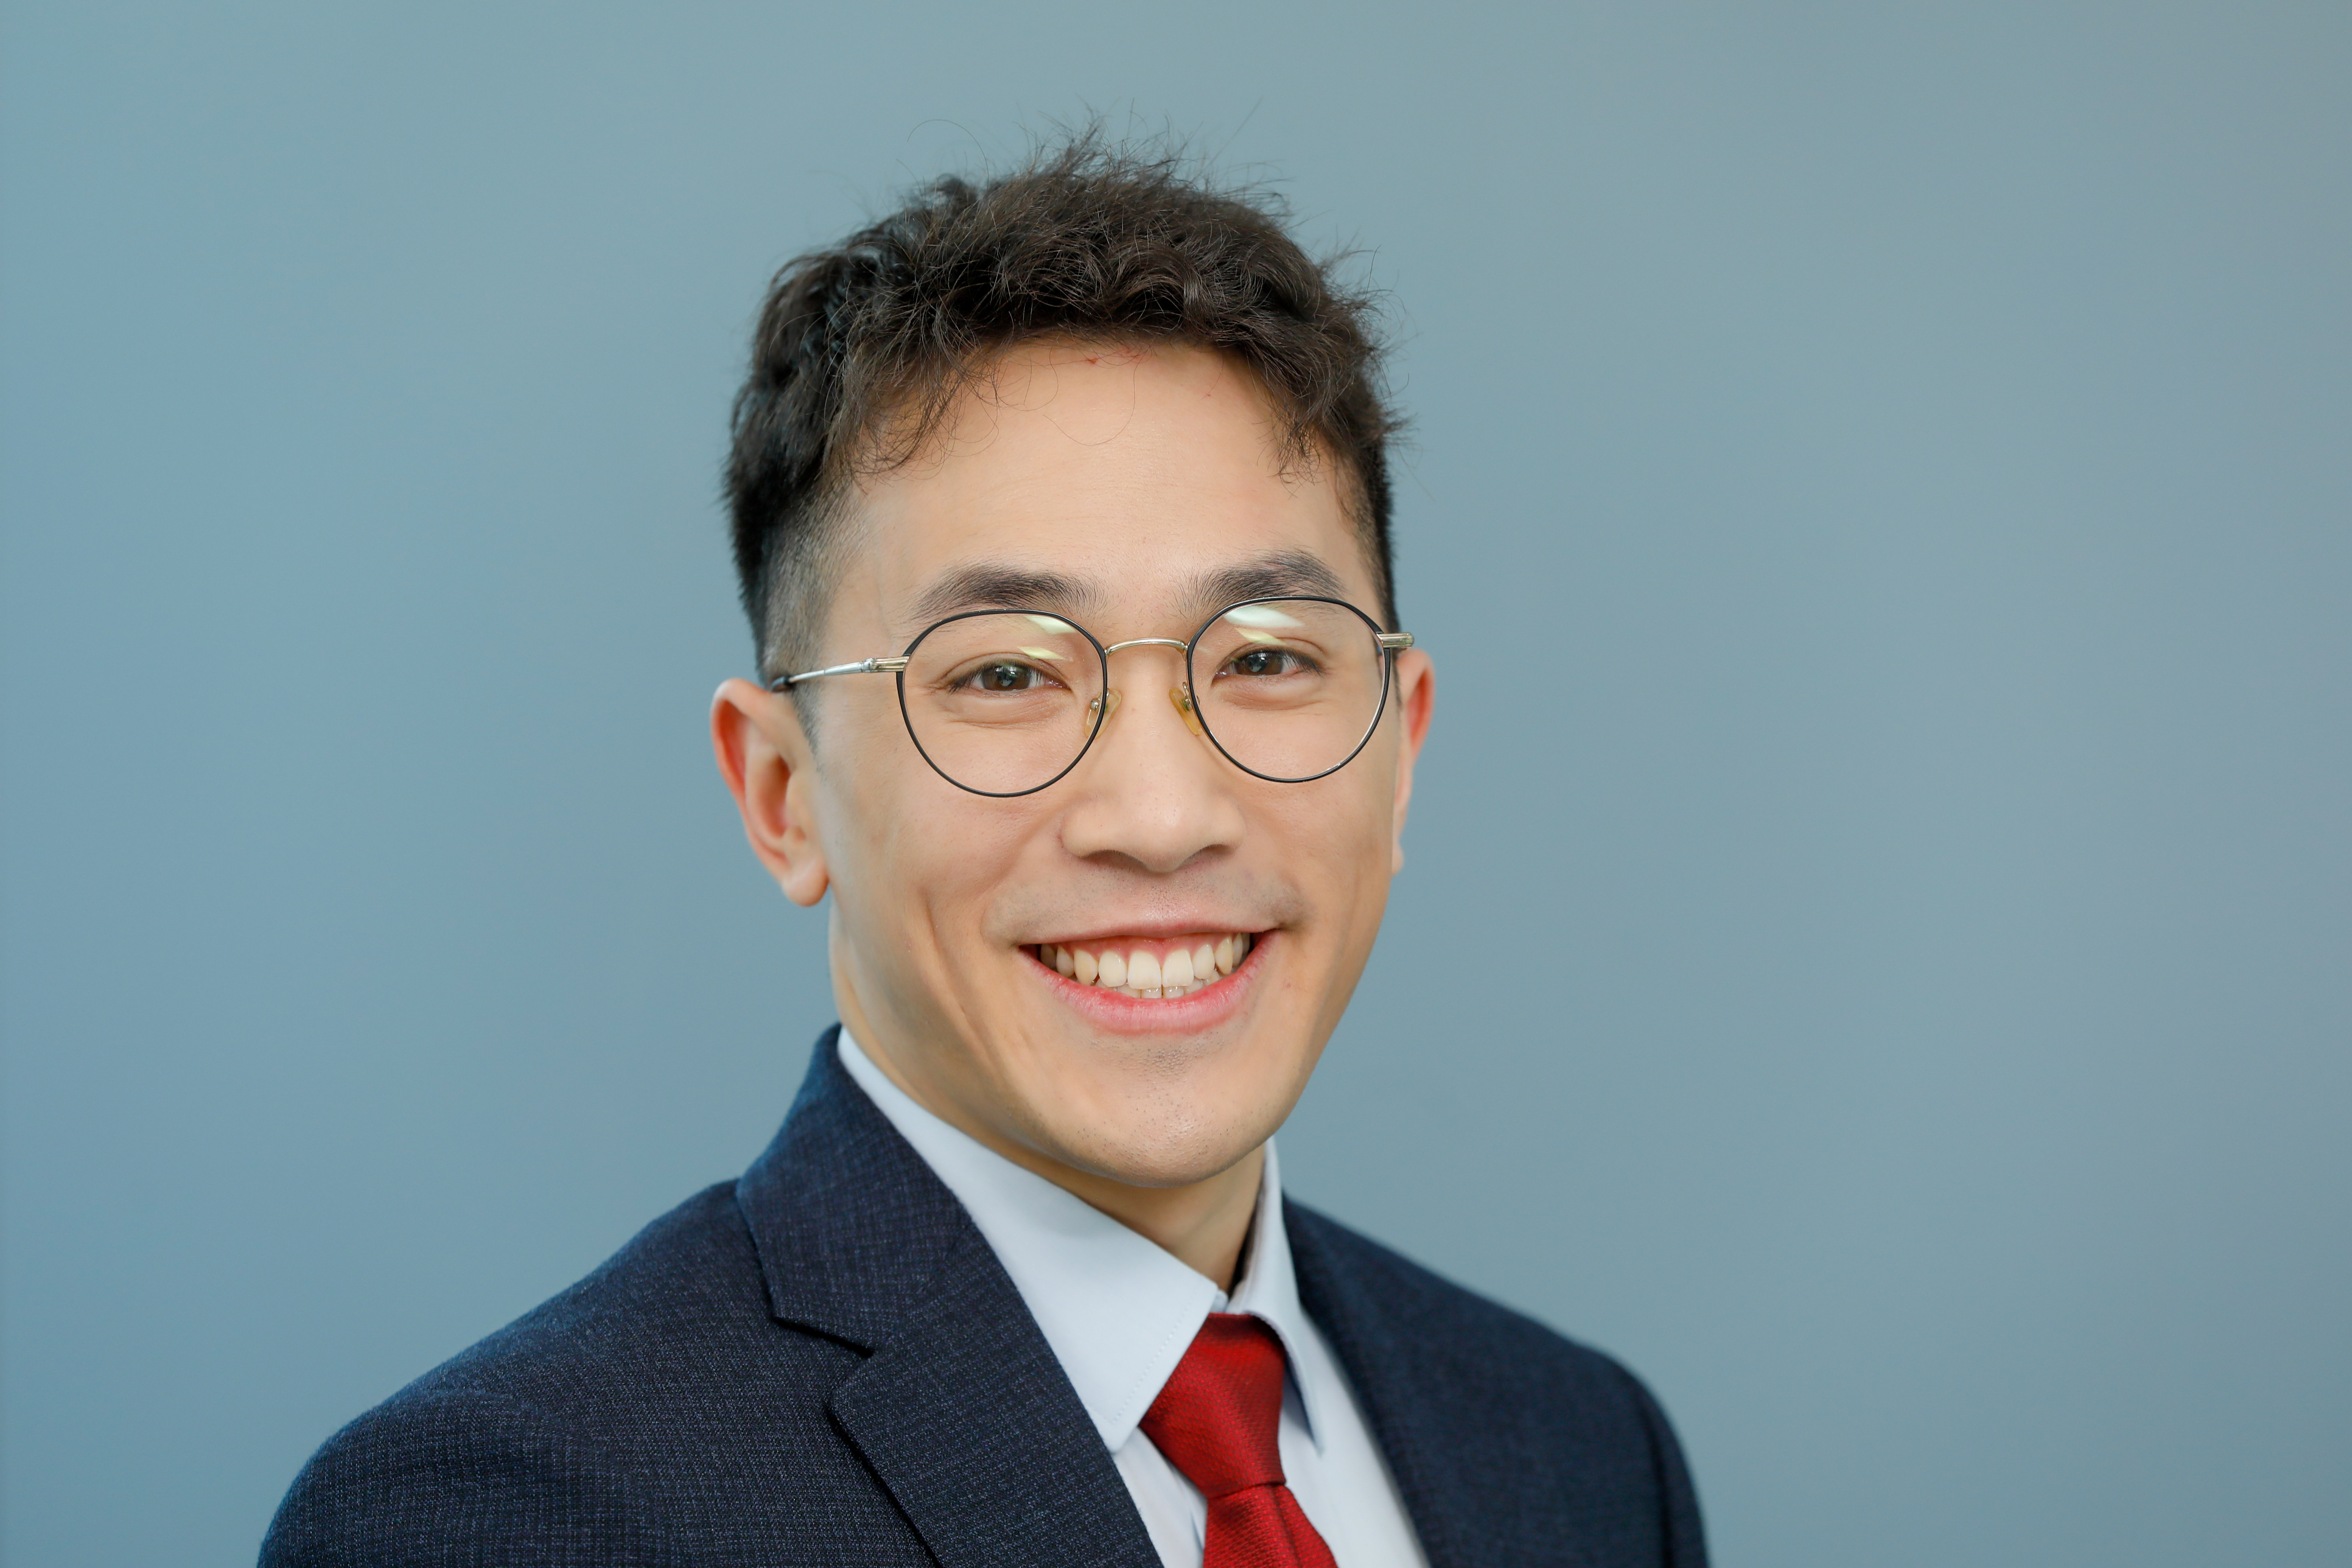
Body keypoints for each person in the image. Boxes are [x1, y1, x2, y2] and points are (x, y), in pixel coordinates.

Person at [261, 140, 1707, 1568]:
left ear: (1402, 747)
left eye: (1268, 657)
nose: (1159, 814)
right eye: (1005, 675)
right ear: (783, 793)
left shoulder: (1576, 1453)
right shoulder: (512, 1515)